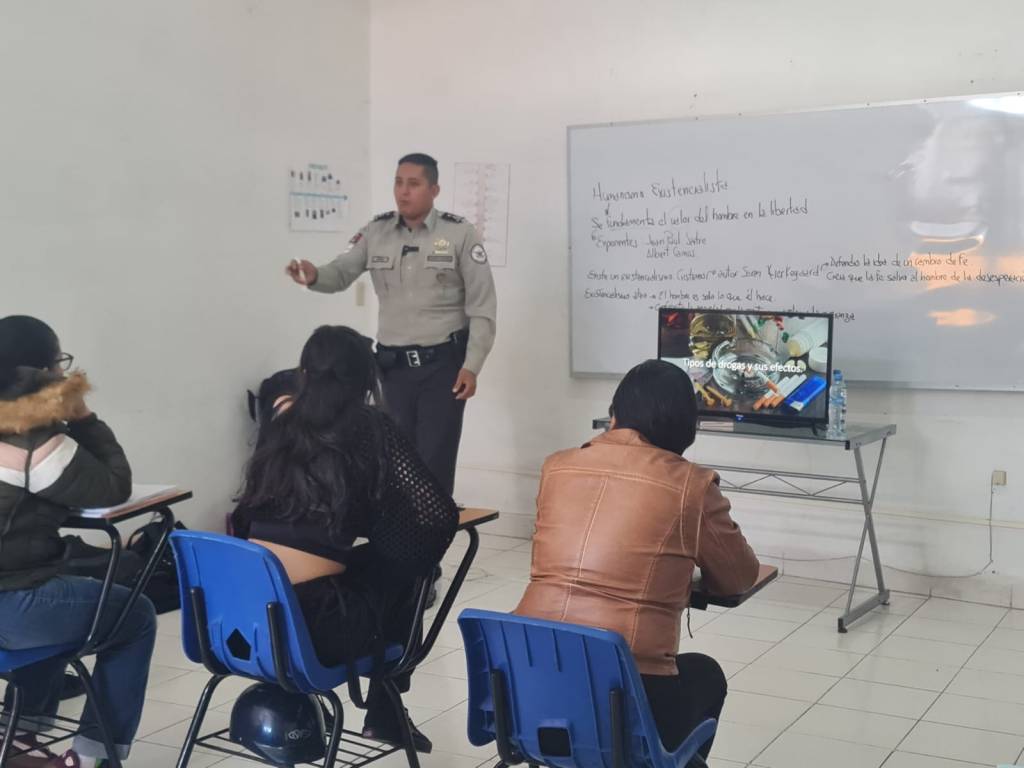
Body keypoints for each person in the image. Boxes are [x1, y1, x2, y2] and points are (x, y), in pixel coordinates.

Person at [514, 360, 760, 765]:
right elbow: (738, 577)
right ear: (687, 428)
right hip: (625, 699)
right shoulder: (691, 486)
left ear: (614, 415)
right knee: (705, 674)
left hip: (531, 685)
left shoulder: (556, 467)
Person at [231, 325, 458, 753]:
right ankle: (385, 709)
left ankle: (385, 710)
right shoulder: (369, 427)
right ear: (367, 380)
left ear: (303, 372)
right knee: (410, 572)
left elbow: (248, 517)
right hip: (314, 626)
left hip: (246, 614)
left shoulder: (282, 421)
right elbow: (437, 516)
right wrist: (385, 525)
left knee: (381, 564)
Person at [285, 153, 497, 497]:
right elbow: (341, 272)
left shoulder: (460, 234)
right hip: (391, 369)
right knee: (392, 461)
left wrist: (472, 366)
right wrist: (314, 276)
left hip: (442, 368)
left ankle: (432, 528)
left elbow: (482, 306)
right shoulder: (376, 232)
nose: (403, 191)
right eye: (398, 183)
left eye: (413, 184)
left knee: (434, 462)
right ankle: (396, 528)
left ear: (434, 190)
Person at [0, 316, 157, 768]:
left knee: (61, 589)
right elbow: (113, 486)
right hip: (9, 603)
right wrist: (84, 418)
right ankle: (93, 757)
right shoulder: (31, 437)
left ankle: (19, 737)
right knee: (135, 615)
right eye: (59, 363)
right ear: (43, 372)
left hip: (15, 590)